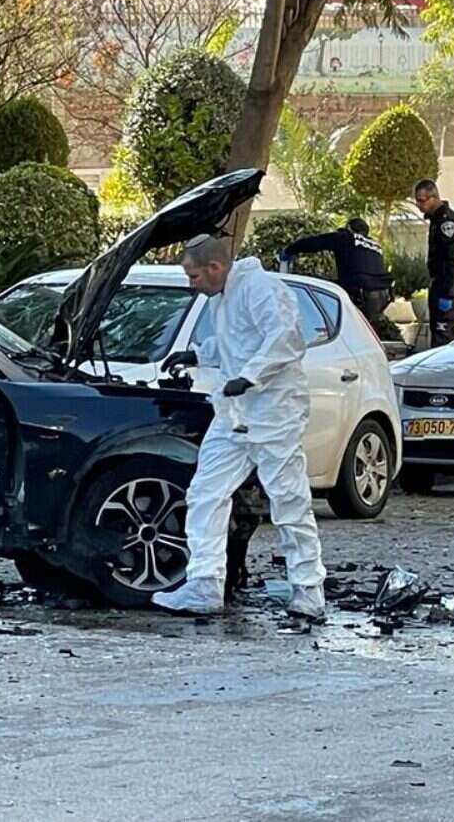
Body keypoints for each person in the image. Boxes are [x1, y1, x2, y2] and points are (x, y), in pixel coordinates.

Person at [153, 235, 327, 618]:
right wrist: (198, 354)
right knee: (206, 492)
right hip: (235, 413)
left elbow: (285, 338)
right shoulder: (224, 297)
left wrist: (249, 377)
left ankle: (309, 591)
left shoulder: (260, 288)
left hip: (274, 413)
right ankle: (204, 584)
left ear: (215, 267)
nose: (192, 284)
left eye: (194, 276)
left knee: (289, 501)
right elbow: (235, 342)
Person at [278, 218, 393, 317]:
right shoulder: (375, 245)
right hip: (383, 294)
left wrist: (289, 250)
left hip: (361, 291)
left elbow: (315, 242)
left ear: (348, 228)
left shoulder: (345, 237)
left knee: (317, 287)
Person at [413, 179, 454, 348]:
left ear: (434, 197)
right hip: (439, 284)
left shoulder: (446, 222)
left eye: (421, 200)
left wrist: (448, 291)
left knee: (443, 337)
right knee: (438, 334)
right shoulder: (436, 220)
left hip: (446, 287)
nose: (418, 205)